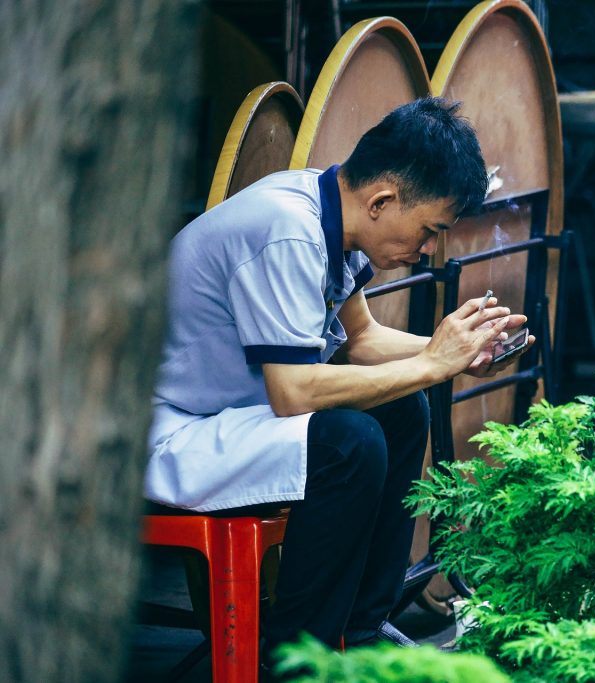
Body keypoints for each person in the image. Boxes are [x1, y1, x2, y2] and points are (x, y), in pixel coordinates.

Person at [144, 97, 534, 655]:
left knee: (402, 410)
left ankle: (364, 630)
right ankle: (302, 658)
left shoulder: (330, 213)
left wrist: (457, 350)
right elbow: (293, 392)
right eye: (428, 230)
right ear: (383, 200)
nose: (427, 251)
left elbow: (364, 340)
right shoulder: (288, 230)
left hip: (228, 416)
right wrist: (431, 364)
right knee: (348, 444)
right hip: (173, 430)